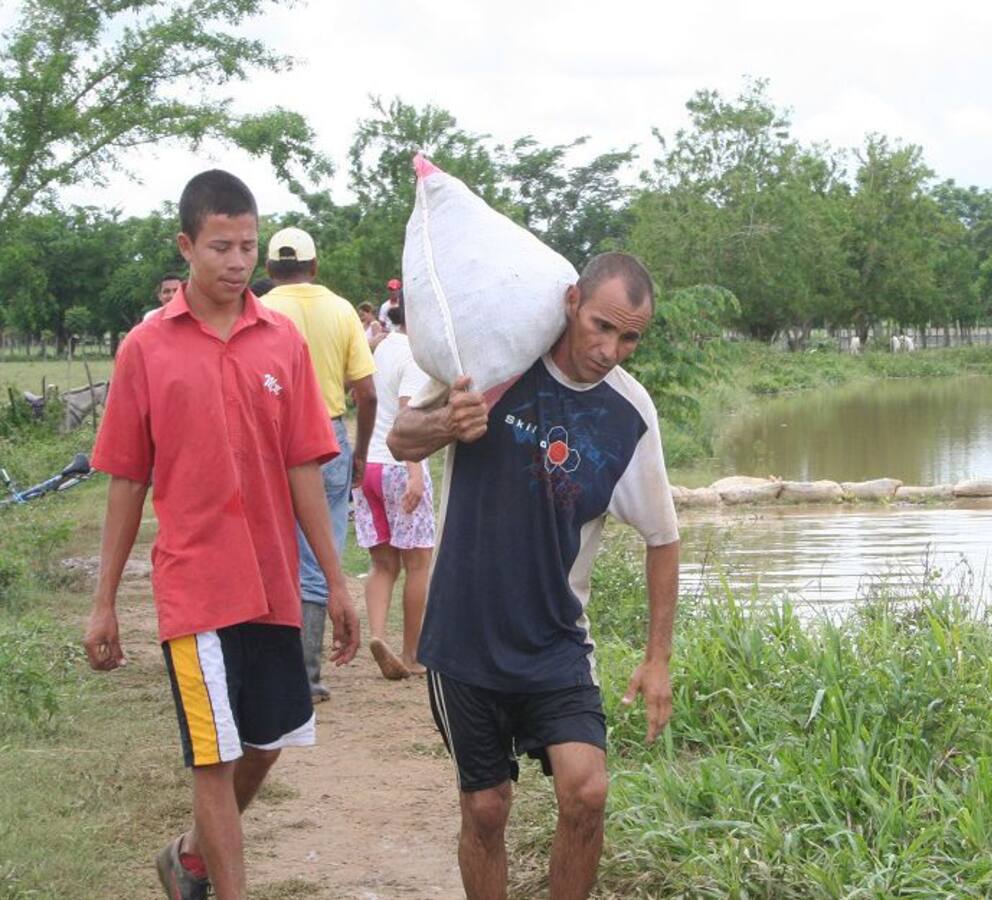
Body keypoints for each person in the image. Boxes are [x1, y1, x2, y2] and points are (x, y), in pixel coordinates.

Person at [83, 169, 361, 900]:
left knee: (267, 743)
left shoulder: (282, 342)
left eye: (248, 246)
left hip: (271, 581)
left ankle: (191, 858)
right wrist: (104, 601)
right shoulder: (146, 350)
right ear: (187, 246)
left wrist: (335, 580)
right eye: (221, 247)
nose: (238, 262)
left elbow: (305, 464)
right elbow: (125, 481)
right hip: (195, 586)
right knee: (213, 753)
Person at [389, 252, 681, 900]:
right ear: (572, 301)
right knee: (487, 807)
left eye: (629, 337)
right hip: (464, 634)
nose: (610, 350)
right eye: (602, 326)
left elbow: (663, 539)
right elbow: (402, 439)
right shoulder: (500, 363)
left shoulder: (628, 414)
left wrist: (657, 658)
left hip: (555, 638)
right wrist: (448, 423)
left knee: (588, 791)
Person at [261, 226, 378, 703]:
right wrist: (361, 450)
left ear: (268, 269)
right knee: (318, 555)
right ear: (315, 266)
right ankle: (304, 676)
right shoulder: (342, 310)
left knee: (270, 552)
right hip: (326, 436)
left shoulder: (261, 309)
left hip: (268, 439)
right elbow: (366, 392)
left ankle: (268, 666)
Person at [352, 303, 435, 679]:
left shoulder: (383, 347)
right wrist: (416, 472)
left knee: (383, 564)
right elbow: (407, 418)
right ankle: (412, 653)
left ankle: (378, 636)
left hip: (368, 465)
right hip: (399, 465)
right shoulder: (416, 358)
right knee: (418, 564)